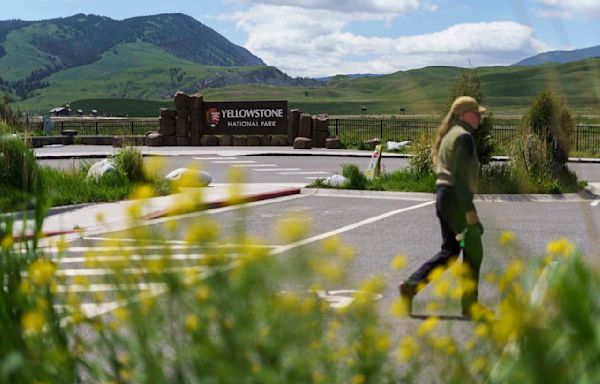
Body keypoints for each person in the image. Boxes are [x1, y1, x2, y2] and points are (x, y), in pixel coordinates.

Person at [399, 96, 487, 319]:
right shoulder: (464, 137)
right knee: (473, 249)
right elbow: (459, 177)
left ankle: (411, 286)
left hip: (445, 198)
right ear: (463, 115)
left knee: (451, 251)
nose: (479, 117)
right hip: (455, 200)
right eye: (475, 113)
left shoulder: (451, 135)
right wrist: (470, 213)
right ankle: (469, 305)